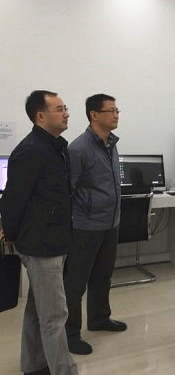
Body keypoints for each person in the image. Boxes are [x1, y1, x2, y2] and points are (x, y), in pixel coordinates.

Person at [0, 90, 78, 375]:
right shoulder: (32, 151)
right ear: (41, 116)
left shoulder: (55, 148)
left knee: (38, 309)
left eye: (65, 107)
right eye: (60, 109)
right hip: (41, 245)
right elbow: (13, 199)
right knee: (55, 316)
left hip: (53, 240)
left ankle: (34, 366)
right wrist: (10, 232)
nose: (66, 113)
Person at [63, 94, 126, 355]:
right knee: (75, 282)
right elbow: (68, 190)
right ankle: (70, 334)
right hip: (85, 225)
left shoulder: (111, 143)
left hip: (110, 222)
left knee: (103, 275)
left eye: (117, 110)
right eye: (110, 110)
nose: (116, 114)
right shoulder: (79, 149)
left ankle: (99, 318)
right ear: (94, 115)